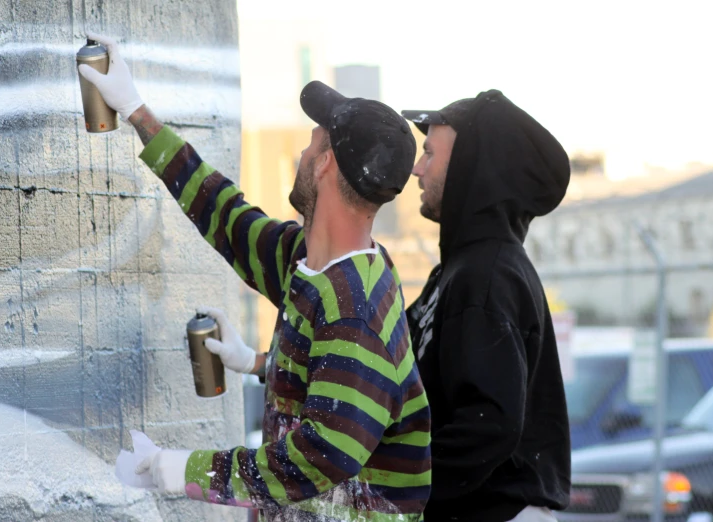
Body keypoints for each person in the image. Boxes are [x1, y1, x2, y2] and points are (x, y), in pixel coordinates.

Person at [79, 32, 431, 522]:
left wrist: (178, 469)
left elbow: (314, 459)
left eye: (311, 145)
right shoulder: (312, 261)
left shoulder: (356, 310)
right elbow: (226, 216)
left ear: (326, 164)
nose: (301, 156)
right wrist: (137, 111)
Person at [400, 90, 572, 522]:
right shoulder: (460, 272)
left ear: (469, 170)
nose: (417, 168)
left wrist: (396, 483)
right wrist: (262, 364)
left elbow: (489, 423)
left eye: (429, 154)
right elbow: (388, 360)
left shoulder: (488, 276)